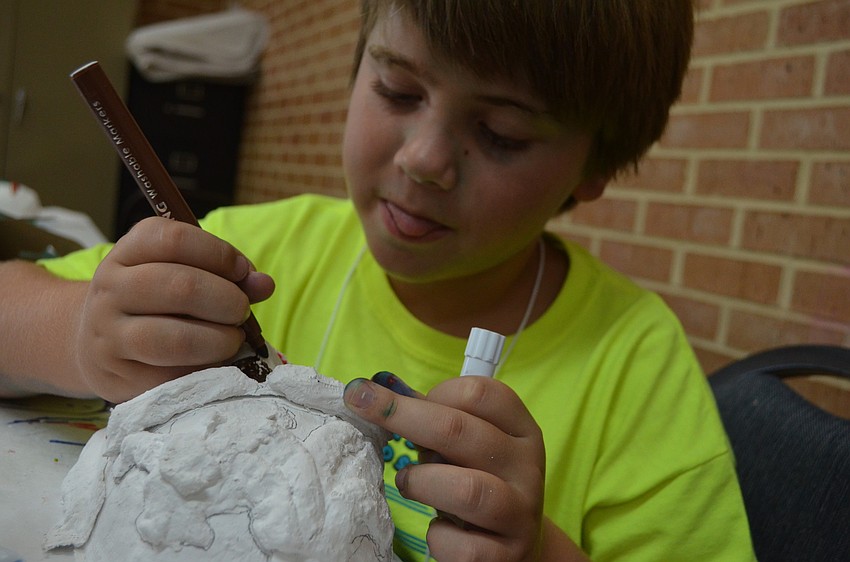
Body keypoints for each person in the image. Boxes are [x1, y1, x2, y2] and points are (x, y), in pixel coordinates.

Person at [0, 1, 756, 560]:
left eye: (502, 134)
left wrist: (541, 553)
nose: (424, 159)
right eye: (398, 90)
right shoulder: (254, 248)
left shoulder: (636, 367)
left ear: (591, 174)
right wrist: (78, 333)